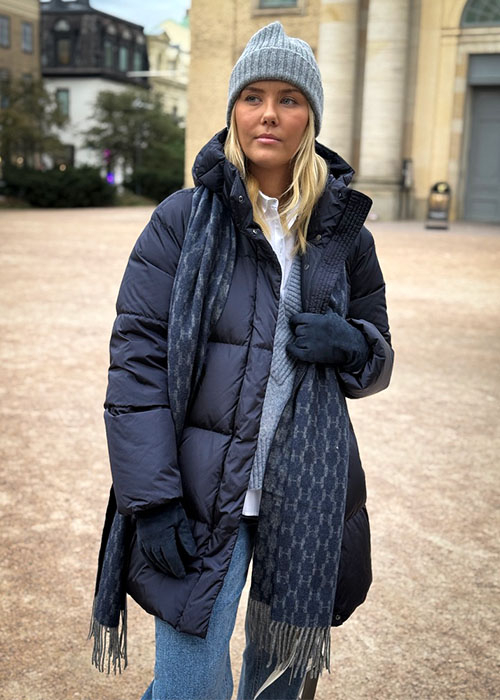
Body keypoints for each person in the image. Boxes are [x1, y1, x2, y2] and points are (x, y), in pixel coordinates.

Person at [89, 21, 394, 700]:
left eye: (289, 98)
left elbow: (378, 358)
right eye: (253, 96)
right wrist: (152, 500)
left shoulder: (345, 234)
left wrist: (352, 344)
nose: (269, 114)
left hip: (306, 494)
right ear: (233, 110)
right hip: (198, 495)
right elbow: (136, 366)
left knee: (278, 684)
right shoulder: (181, 220)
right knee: (187, 687)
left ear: (310, 116)